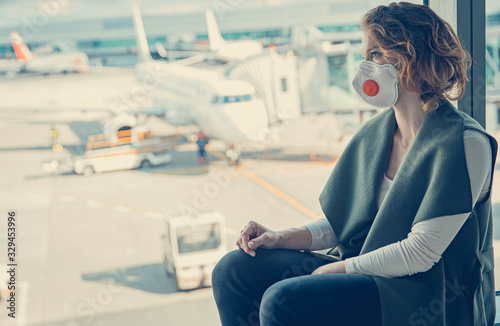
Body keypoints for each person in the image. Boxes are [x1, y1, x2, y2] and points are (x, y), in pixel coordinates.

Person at [211, 2, 497, 326]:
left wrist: (335, 270)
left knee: (284, 302)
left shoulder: (464, 144)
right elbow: (345, 223)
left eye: (375, 55)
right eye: (364, 56)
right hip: (366, 269)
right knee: (233, 271)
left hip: (423, 292)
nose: (364, 68)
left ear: (411, 58)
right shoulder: (375, 134)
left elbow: (420, 253)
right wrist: (281, 237)